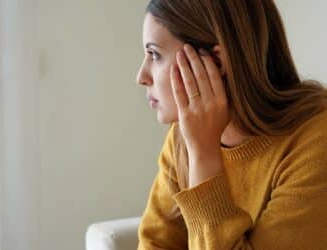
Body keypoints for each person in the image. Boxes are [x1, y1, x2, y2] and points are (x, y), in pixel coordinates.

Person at [135, 0, 327, 249]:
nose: (141, 76)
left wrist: (204, 154)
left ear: (215, 61)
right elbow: (155, 243)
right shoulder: (184, 136)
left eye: (155, 55)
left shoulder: (315, 142)